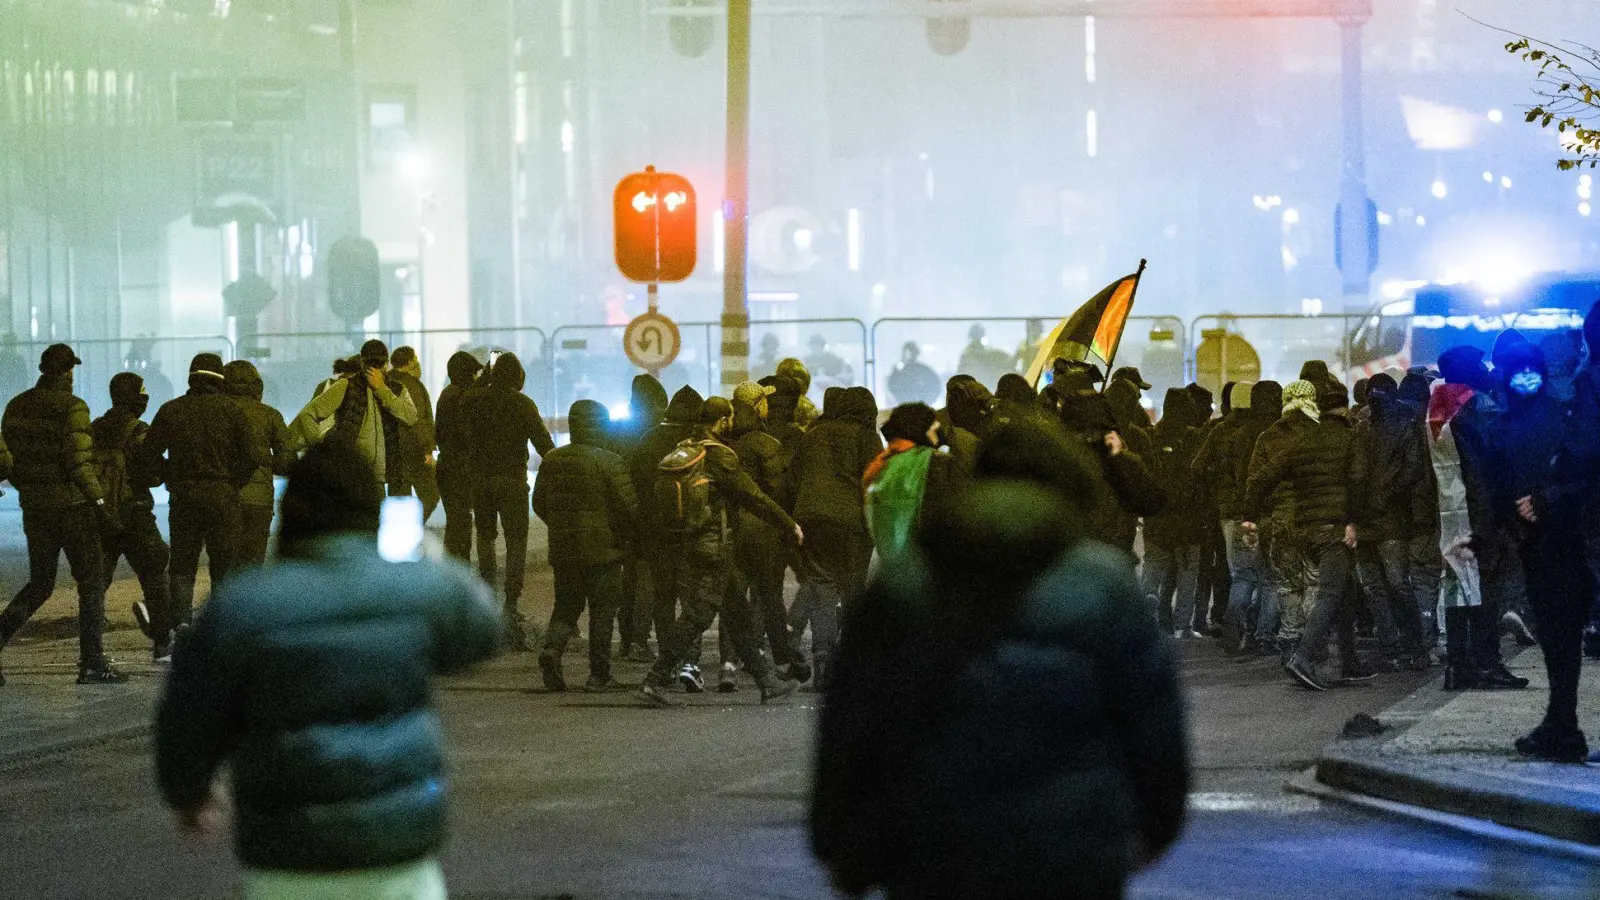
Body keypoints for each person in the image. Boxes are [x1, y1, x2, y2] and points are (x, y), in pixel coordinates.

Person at [811, 416, 1190, 900]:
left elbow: (853, 721)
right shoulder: (1104, 584)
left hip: (935, 848)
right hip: (1073, 851)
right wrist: (1154, 827)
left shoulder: (908, 583)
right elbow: (1152, 723)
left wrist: (845, 846)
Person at [154, 444, 501, 900]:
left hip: (287, 859)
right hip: (396, 852)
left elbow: (188, 715)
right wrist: (428, 559)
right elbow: (484, 631)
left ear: (291, 511)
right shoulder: (414, 588)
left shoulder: (242, 603)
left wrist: (190, 793)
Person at [637, 397, 803, 707]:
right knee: (698, 615)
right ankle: (655, 679)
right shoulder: (719, 456)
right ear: (723, 420)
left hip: (696, 542)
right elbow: (753, 496)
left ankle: (766, 682)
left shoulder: (686, 445)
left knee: (737, 616)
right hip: (714, 545)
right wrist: (788, 524)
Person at [1490, 341, 1597, 761]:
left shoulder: (1547, 420)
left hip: (1562, 543)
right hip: (1547, 544)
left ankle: (1562, 726)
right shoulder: (1556, 417)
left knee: (1561, 638)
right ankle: (1560, 722)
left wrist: (1544, 501)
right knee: (1558, 640)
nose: (1527, 377)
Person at [0, 344, 124, 685]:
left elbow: (8, 459)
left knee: (40, 583)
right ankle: (92, 662)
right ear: (68, 372)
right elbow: (78, 463)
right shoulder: (73, 407)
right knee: (91, 580)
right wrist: (100, 504)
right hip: (71, 509)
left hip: (34, 507)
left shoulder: (16, 406)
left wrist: (27, 486)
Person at [1245, 381, 1372, 690]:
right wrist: (1353, 522)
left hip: (1306, 529)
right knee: (1331, 591)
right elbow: (1357, 481)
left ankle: (1350, 662)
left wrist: (1249, 514)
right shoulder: (1350, 437)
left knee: (1345, 590)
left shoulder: (1302, 440)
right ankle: (1303, 657)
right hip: (1335, 527)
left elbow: (1263, 477)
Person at [1426, 347, 1528, 691]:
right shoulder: (1478, 406)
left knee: (1457, 588)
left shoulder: (1434, 410)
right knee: (1487, 588)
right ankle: (1488, 663)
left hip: (1448, 514)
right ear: (1471, 370)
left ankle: (1458, 665)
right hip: (1483, 512)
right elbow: (1499, 461)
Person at [144, 352, 261, 639]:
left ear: (191, 377)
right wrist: (234, 481)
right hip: (223, 495)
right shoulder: (233, 411)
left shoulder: (172, 410)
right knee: (223, 564)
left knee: (183, 564)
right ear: (219, 379)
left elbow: (147, 453)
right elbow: (252, 456)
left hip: (184, 496)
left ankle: (181, 621)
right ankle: (220, 626)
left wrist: (168, 475)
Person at [532, 399, 638, 693]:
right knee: (602, 611)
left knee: (566, 605)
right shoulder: (610, 461)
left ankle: (551, 651)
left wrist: (560, 525)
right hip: (603, 550)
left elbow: (538, 503)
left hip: (564, 548)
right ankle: (599, 674)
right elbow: (629, 508)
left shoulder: (552, 460)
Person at [461, 351, 555, 650]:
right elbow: (544, 444)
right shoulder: (522, 404)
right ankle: (511, 602)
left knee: (485, 536)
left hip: (480, 479)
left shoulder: (472, 401)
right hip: (512, 481)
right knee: (516, 542)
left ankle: (486, 593)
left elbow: (461, 436)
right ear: (518, 377)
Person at [789, 387, 882, 688]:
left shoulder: (813, 433)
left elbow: (794, 476)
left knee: (822, 591)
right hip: (851, 523)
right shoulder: (865, 435)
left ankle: (823, 662)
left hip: (812, 520)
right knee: (853, 590)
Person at [1348, 373, 1434, 672]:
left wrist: (1379, 497)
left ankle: (1407, 645)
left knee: (1390, 585)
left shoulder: (1385, 425)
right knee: (1383, 585)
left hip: (1384, 517)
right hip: (1379, 517)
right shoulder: (1368, 426)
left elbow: (1410, 471)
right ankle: (1399, 646)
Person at [729, 381, 808, 683]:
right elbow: (777, 489)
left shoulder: (725, 439)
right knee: (770, 596)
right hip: (762, 530)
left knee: (734, 599)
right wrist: (788, 523)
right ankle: (783, 660)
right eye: (764, 401)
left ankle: (730, 663)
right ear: (757, 405)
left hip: (732, 528)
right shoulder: (765, 442)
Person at [96, 373, 174, 662]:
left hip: (102, 515)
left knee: (96, 583)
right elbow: (151, 473)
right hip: (135, 512)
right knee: (154, 574)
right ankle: (162, 643)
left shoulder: (95, 428)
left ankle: (92, 652)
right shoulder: (139, 430)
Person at [1242, 379, 1319, 665]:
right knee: (1314, 581)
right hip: (1315, 517)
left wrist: (1250, 518)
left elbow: (1256, 480)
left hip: (1281, 518)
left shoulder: (1269, 436)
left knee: (1287, 583)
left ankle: (1289, 639)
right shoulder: (1320, 431)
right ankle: (1312, 643)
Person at [629, 385, 705, 671]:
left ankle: (666, 655)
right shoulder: (698, 442)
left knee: (663, 597)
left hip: (655, 530)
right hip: (692, 531)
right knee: (691, 596)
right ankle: (688, 658)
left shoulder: (649, 439)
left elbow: (635, 483)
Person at [608, 374, 670, 661]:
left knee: (628, 577)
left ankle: (625, 638)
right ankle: (639, 640)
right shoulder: (657, 430)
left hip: (621, 513)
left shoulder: (619, 427)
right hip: (648, 512)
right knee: (647, 578)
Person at [1143, 389, 1206, 636]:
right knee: (1188, 571)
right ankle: (1182, 626)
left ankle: (1148, 615)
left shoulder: (1153, 435)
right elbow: (1200, 475)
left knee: (1154, 564)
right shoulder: (1194, 437)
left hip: (1157, 514)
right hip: (1188, 515)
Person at [863, 402, 958, 566]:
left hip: (892, 563)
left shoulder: (880, 464)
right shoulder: (935, 462)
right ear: (924, 429)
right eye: (934, 426)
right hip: (929, 562)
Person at [223, 360, 296, 568]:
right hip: (258, 499)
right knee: (252, 564)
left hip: (223, 497)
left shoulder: (216, 413)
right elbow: (287, 461)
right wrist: (266, 464)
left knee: (224, 564)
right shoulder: (270, 415)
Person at [434, 351, 485, 564]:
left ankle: (453, 568)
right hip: (458, 468)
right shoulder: (458, 397)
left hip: (449, 466)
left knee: (457, 522)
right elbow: (466, 432)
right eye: (473, 374)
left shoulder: (449, 394)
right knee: (461, 523)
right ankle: (457, 571)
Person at [388, 346, 440, 522]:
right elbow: (417, 419)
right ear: (409, 361)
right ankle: (413, 527)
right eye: (415, 358)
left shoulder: (386, 382)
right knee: (431, 495)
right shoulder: (411, 385)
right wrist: (427, 449)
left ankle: (402, 540)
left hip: (392, 451)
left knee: (400, 499)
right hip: (414, 451)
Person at [887, 341, 942, 406]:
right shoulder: (898, 372)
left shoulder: (924, 371)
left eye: (911, 352)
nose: (908, 356)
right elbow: (892, 386)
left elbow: (935, 386)